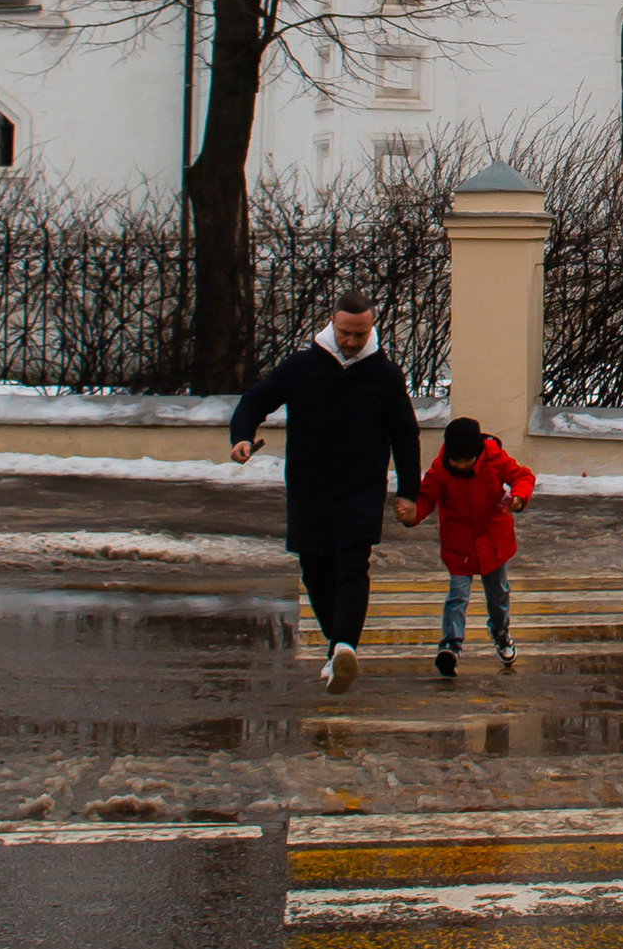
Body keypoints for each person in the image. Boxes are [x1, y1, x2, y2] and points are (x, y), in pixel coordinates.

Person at [229, 286, 422, 694]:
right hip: (308, 487)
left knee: (352, 564)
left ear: (372, 329)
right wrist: (243, 436)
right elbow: (255, 399)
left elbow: (405, 434)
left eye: (360, 335)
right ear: (332, 324)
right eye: (345, 333)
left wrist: (409, 491)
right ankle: (338, 648)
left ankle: (346, 645)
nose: (351, 342)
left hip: (361, 487)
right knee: (315, 569)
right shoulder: (302, 366)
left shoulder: (385, 374)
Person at [409, 413, 535, 679]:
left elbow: (522, 476)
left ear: (477, 454)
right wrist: (412, 514)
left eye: (467, 460)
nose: (462, 465)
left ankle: (501, 633)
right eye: (457, 460)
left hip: (493, 541)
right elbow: (426, 498)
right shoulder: (440, 470)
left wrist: (518, 499)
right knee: (457, 596)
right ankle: (450, 647)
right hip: (459, 545)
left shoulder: (493, 458)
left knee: (499, 594)